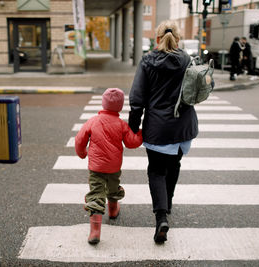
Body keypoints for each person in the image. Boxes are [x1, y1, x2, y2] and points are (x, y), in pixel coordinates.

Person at [128, 20, 198, 244]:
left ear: (157, 38)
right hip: (182, 126)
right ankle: (167, 203)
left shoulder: (148, 61)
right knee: (174, 165)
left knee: (156, 171)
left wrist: (133, 126)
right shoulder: (187, 60)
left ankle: (161, 217)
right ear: (178, 39)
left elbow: (137, 98)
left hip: (157, 127)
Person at [75, 88, 143, 245]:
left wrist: (82, 153)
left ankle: (95, 231)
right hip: (114, 167)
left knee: (96, 192)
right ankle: (113, 210)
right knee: (112, 187)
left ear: (103, 103)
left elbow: (80, 139)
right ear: (120, 107)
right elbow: (132, 142)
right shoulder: (121, 124)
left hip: (96, 167)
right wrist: (141, 133)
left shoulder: (93, 121)